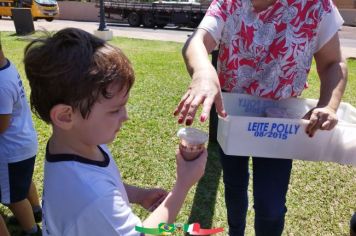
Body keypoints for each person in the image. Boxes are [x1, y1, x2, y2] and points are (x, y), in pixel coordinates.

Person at [174, 0, 348, 235]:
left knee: (271, 206)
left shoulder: (315, 6)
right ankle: (236, 230)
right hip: (231, 113)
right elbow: (197, 42)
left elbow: (333, 62)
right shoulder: (229, 3)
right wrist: (203, 71)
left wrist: (328, 105)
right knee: (234, 185)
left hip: (279, 121)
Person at [23, 27, 207, 236]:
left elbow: (105, 183)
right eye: (115, 110)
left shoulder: (75, 143)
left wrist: (138, 194)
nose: (125, 116)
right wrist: (182, 185)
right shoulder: (91, 196)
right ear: (65, 116)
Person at [0, 35, 42, 235]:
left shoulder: (0, 84)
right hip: (25, 143)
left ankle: (31, 230)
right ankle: (36, 211)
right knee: (23, 183)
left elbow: (2, 125)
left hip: (10, 150)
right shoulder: (7, 67)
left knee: (12, 198)